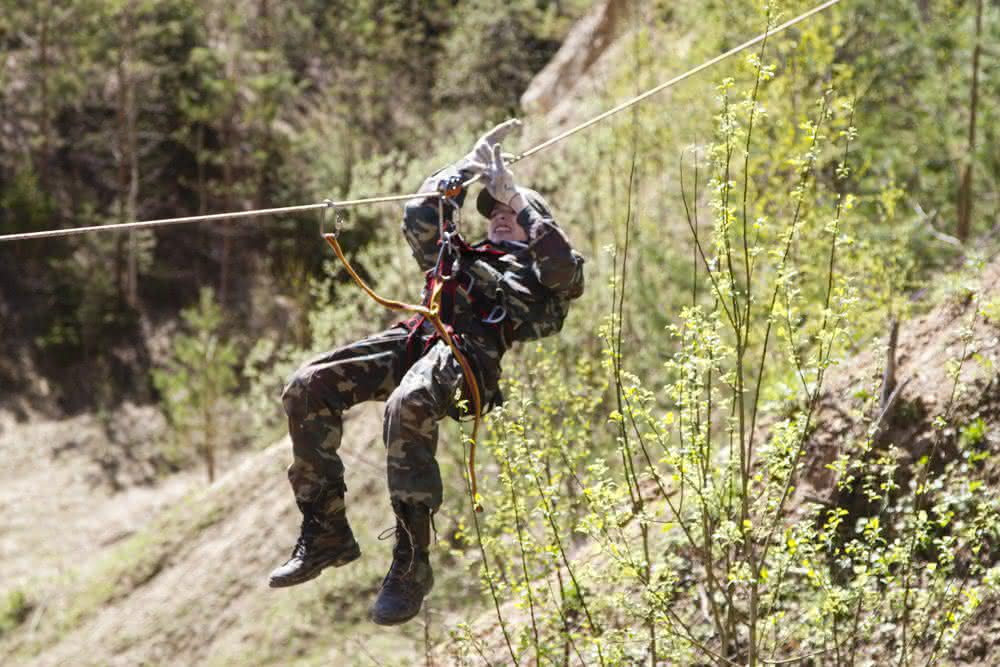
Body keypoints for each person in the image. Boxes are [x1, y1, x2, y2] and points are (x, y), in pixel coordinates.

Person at [268, 119, 584, 626]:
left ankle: (412, 563)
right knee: (307, 386)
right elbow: (421, 212)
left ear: (533, 227)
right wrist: (467, 167)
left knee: (407, 403)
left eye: (511, 214)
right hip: (419, 341)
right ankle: (326, 530)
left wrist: (523, 203)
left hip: (468, 359)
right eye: (495, 213)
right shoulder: (459, 256)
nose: (500, 217)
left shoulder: (541, 279)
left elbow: (566, 269)